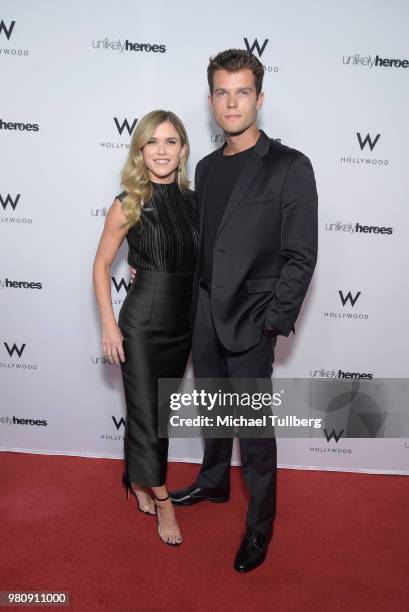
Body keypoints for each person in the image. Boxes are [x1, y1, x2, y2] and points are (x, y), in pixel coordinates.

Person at [168, 49, 318, 571]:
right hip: (203, 311)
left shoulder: (289, 166)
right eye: (223, 93)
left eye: (243, 92)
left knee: (253, 429)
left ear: (259, 97)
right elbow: (200, 242)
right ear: (211, 100)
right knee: (212, 407)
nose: (232, 103)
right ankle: (213, 483)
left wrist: (273, 322)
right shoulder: (206, 168)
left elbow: (301, 255)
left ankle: (260, 526)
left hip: (253, 319)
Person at [93, 110, 199, 546]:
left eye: (170, 141)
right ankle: (163, 501)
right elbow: (101, 265)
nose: (161, 150)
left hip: (183, 321)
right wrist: (109, 324)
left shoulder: (195, 202)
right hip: (140, 323)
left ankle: (137, 480)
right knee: (146, 414)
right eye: (152, 142)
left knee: (157, 413)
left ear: (183, 150)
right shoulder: (128, 202)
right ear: (140, 150)